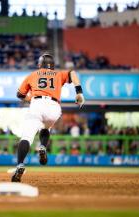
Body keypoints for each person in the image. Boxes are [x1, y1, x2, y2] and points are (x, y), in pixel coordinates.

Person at [11, 53, 85, 182]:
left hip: (37, 104)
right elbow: (72, 73)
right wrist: (79, 92)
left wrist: (31, 99)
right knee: (46, 127)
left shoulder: (33, 75)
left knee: (27, 137)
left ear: (40, 64)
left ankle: (20, 165)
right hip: (54, 108)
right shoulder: (58, 74)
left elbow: (20, 94)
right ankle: (43, 146)